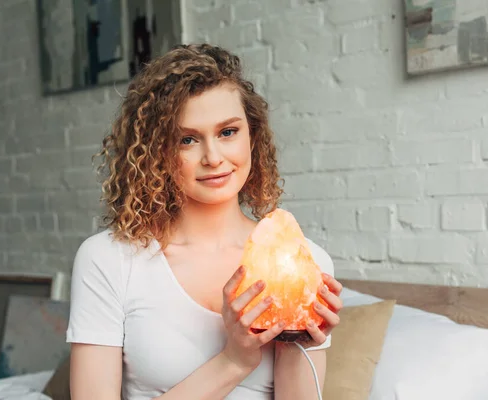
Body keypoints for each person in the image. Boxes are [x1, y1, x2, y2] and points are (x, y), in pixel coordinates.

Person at [66, 43, 343, 400]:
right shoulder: (109, 259)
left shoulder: (306, 262)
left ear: (252, 137)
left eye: (228, 132)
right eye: (187, 139)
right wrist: (234, 360)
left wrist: (293, 340)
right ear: (156, 153)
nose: (213, 157)